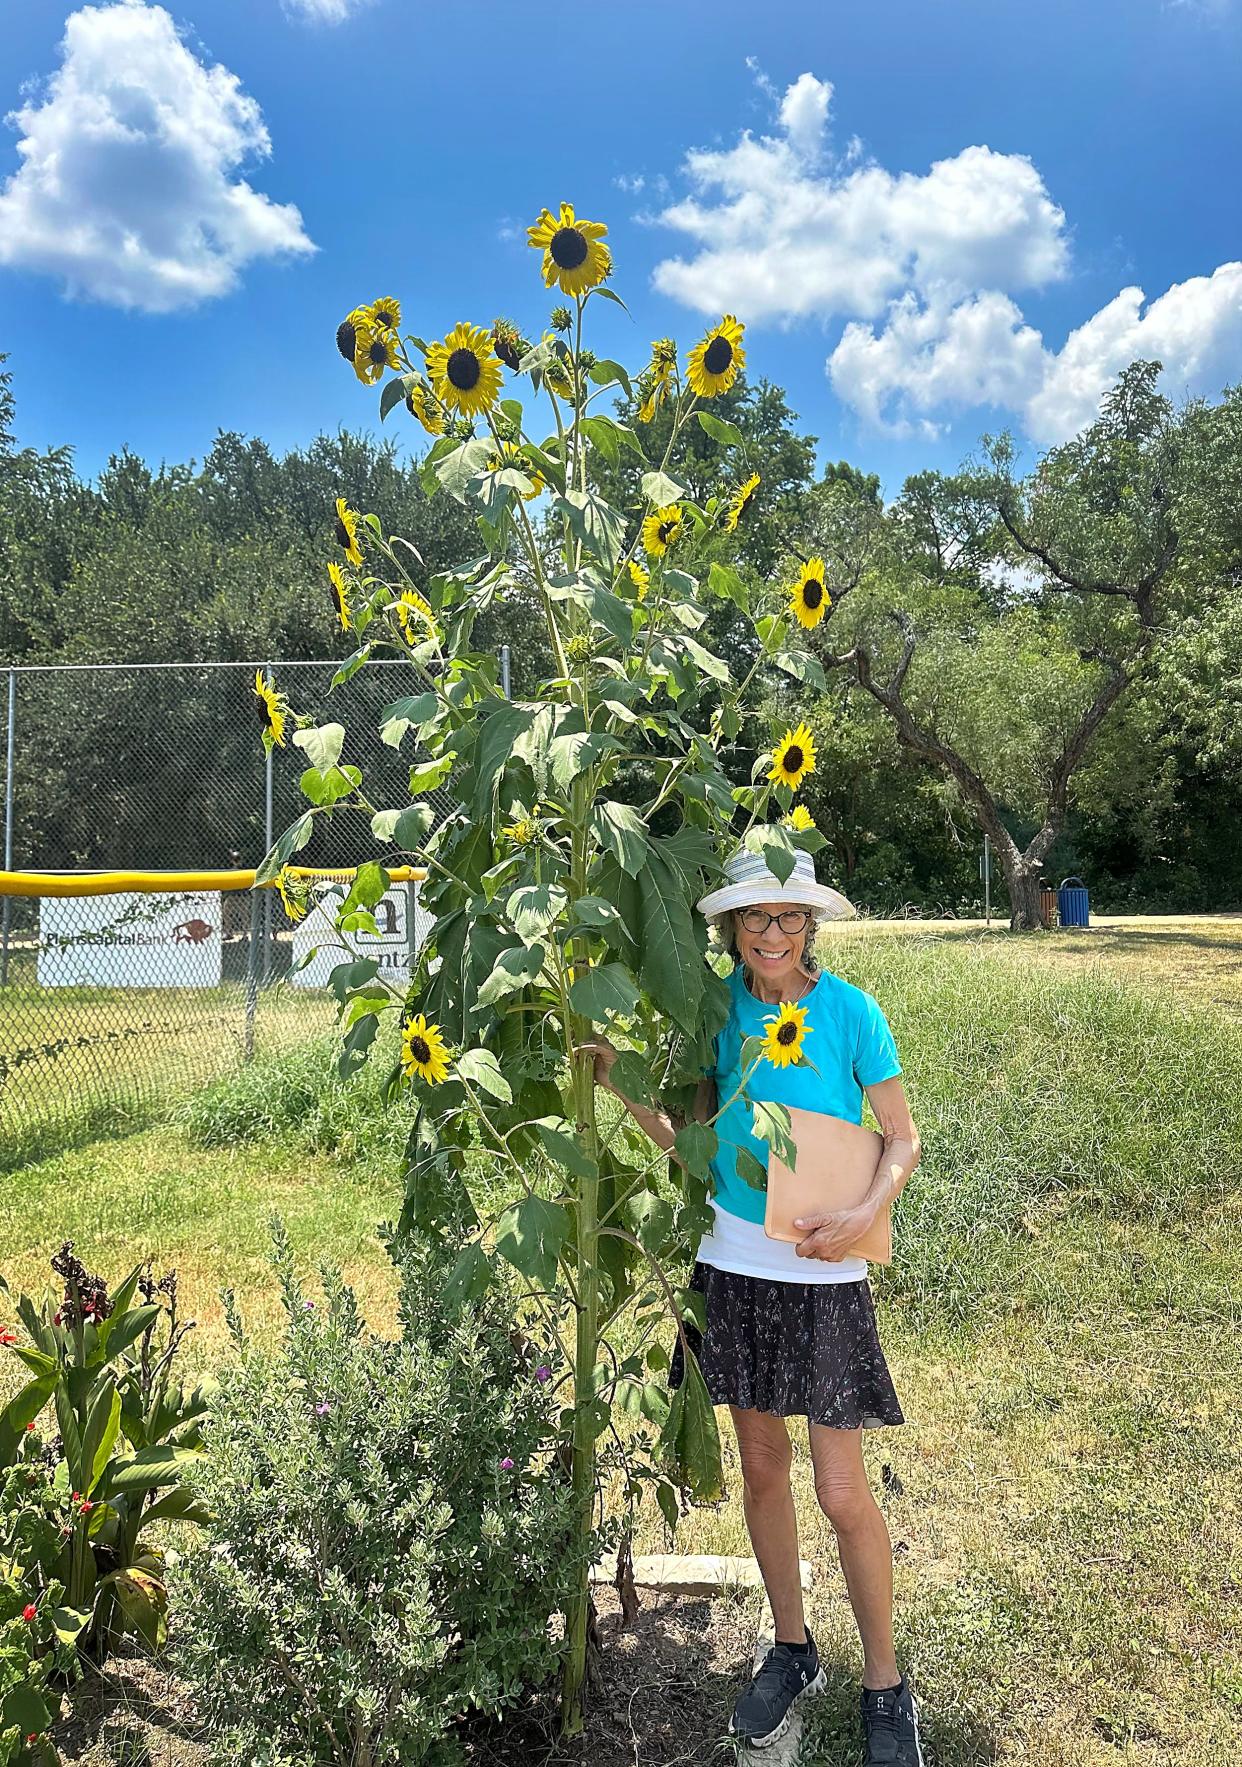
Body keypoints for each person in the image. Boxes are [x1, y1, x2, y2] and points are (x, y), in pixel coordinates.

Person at [585, 848, 925, 1764]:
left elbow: (901, 1137)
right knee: (764, 1468)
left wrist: (864, 1210)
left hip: (826, 1276)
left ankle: (887, 1686)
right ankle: (793, 1647)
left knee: (842, 1488)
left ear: (810, 925)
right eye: (753, 919)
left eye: (788, 918)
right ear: (730, 928)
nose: (771, 935)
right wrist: (617, 1081)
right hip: (731, 1266)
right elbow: (691, 1139)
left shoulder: (852, 1012)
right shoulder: (714, 1011)